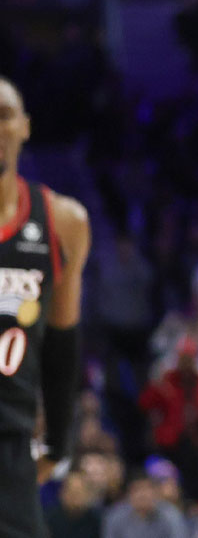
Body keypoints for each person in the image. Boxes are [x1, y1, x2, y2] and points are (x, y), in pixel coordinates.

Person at [0, 78, 90, 538]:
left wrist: (56, 442)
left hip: (10, 441)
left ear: (25, 127)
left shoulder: (62, 221)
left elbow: (61, 342)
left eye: (3, 114)